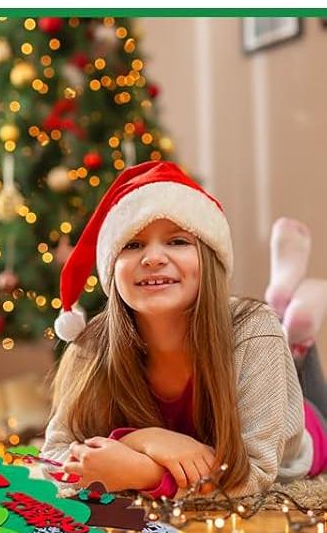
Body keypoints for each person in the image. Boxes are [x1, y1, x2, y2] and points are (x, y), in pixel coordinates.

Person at [42, 160, 327, 498]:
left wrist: (147, 472)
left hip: (301, 432)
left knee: (279, 343)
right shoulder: (91, 345)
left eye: (177, 241)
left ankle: (295, 335)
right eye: (133, 245)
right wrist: (145, 438)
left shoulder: (254, 331)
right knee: (271, 339)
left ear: (209, 258)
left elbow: (256, 473)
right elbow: (53, 458)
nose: (153, 258)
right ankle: (288, 317)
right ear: (111, 269)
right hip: (252, 363)